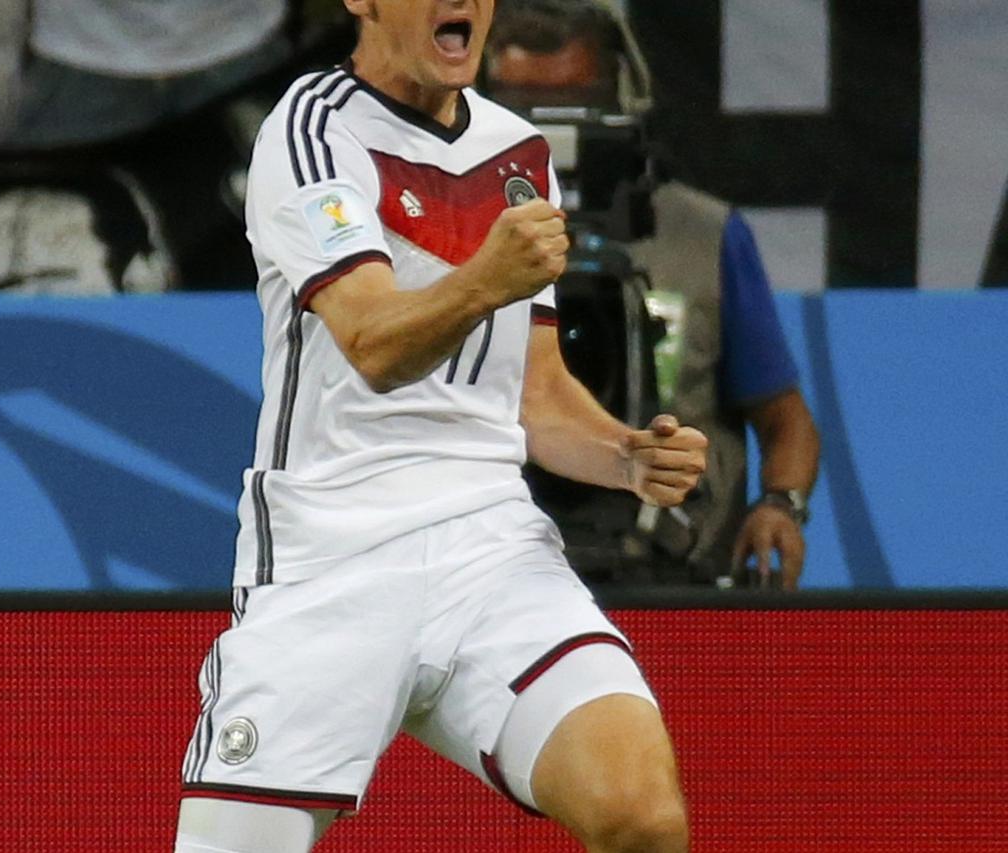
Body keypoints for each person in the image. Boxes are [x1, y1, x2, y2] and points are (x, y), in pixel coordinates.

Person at [175, 1, 706, 851]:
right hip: (333, 558)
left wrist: (627, 456)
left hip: (492, 550)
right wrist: (486, 277)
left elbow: (537, 397)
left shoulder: (517, 153)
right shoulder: (311, 131)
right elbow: (375, 344)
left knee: (643, 816)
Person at [486, 0, 821, 590]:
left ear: (622, 96)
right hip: (497, 576)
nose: (544, 132)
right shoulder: (449, 232)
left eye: (571, 108)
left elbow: (785, 418)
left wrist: (780, 507)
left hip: (672, 571)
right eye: (517, 110)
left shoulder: (702, 237)